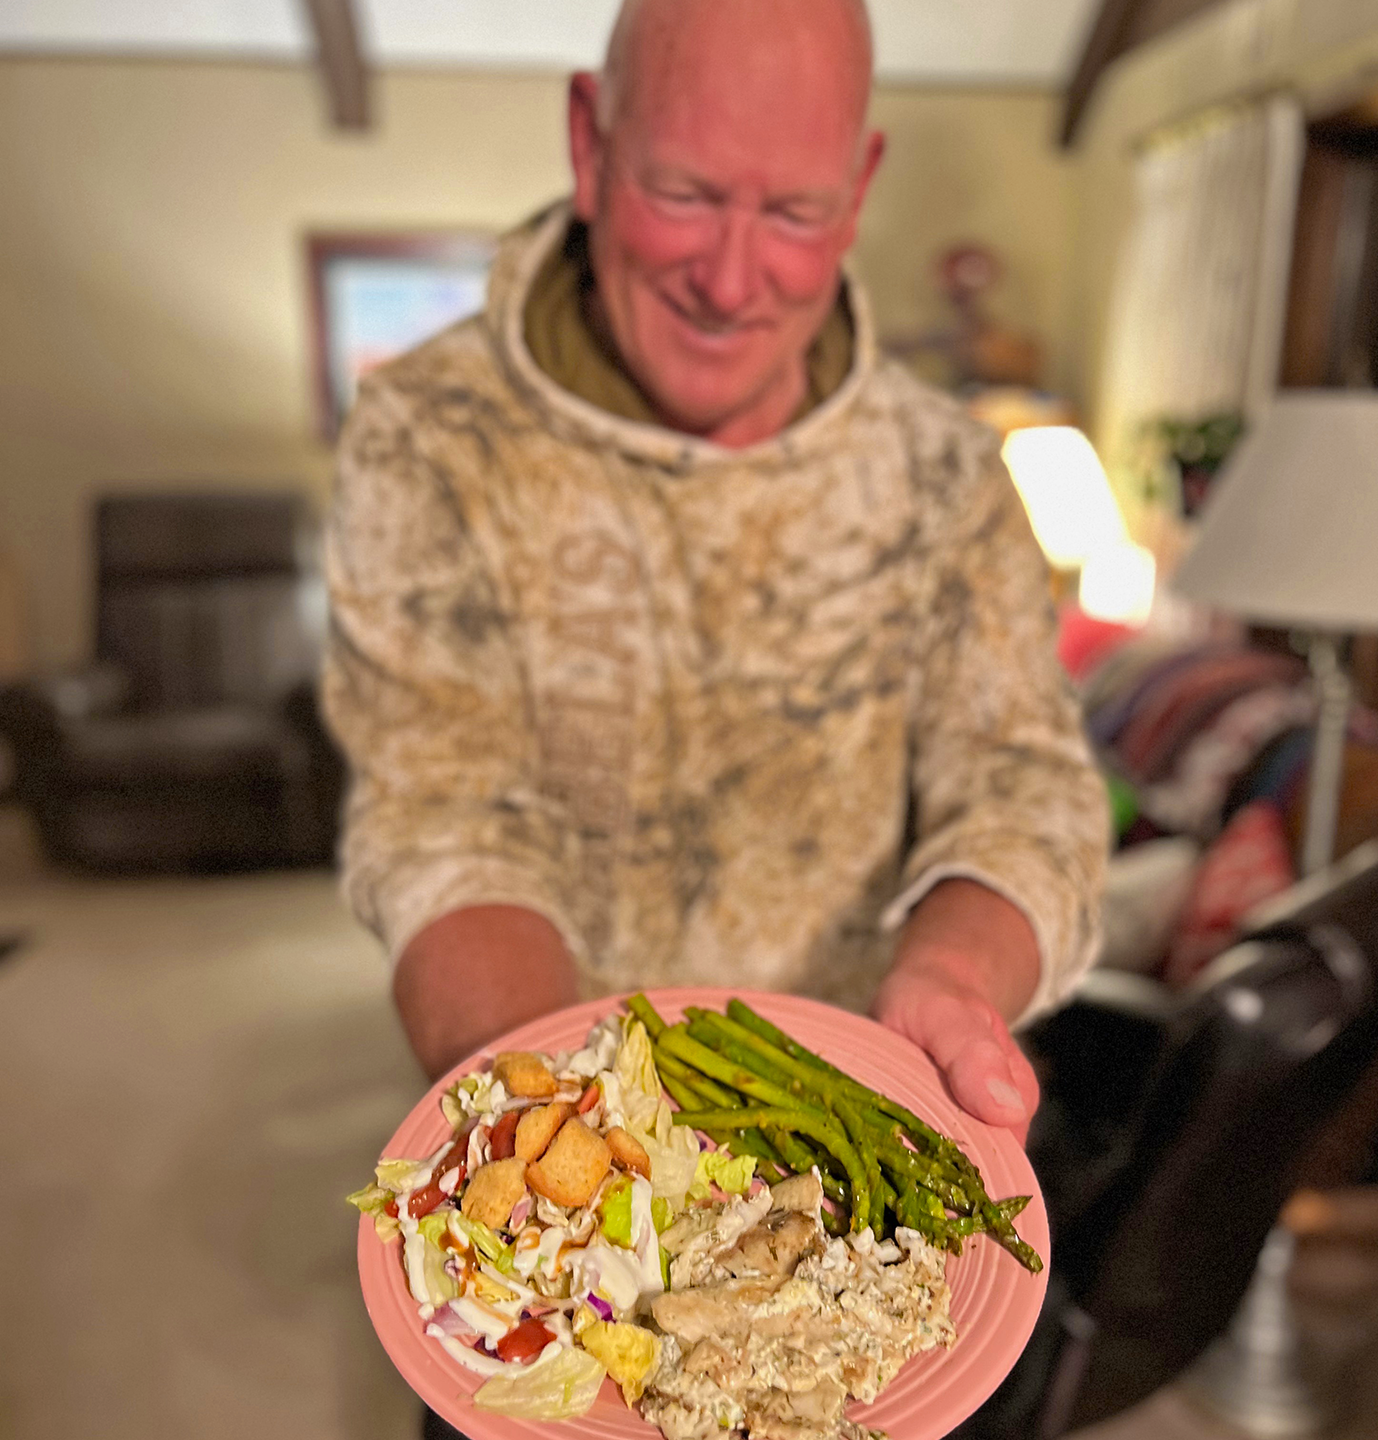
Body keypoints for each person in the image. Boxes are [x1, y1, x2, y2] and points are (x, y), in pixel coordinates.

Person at [323, 0, 1109, 1152]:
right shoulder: (429, 437)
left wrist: (951, 974)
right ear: (591, 146)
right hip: (562, 1118)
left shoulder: (943, 471)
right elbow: (442, 821)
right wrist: (601, 1125)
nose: (732, 283)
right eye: (685, 195)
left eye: (794, 210)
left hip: (867, 1134)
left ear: (857, 189)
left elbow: (1021, 790)